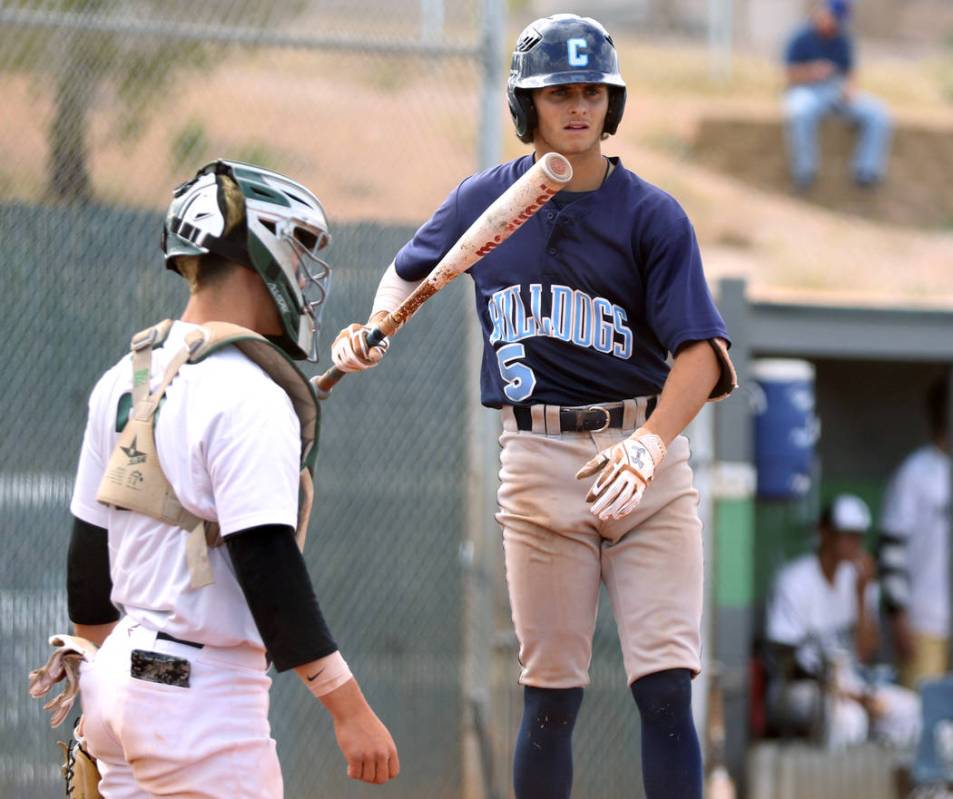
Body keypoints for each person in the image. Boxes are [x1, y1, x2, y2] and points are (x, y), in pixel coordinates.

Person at [330, 14, 736, 799]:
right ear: (528, 106)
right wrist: (372, 330)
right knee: (548, 700)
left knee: (663, 688)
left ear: (610, 104)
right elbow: (410, 273)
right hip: (537, 458)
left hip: (641, 454)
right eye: (559, 93)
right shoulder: (484, 202)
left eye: (592, 91)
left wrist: (651, 443)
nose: (578, 107)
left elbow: (702, 352)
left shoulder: (650, 215)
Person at [66, 161, 399, 797]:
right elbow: (266, 562)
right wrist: (349, 709)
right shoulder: (250, 392)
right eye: (300, 248)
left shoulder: (126, 376)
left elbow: (88, 565)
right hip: (198, 696)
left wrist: (97, 685)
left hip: (116, 683)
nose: (306, 272)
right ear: (261, 251)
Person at [765, 494, 919, 749]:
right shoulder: (795, 580)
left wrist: (861, 595)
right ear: (825, 533)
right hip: (799, 690)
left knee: (909, 710)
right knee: (849, 719)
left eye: (858, 536)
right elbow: (785, 659)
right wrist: (845, 693)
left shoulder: (859, 580)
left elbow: (866, 652)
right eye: (845, 534)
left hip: (852, 685)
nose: (853, 543)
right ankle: (829, 786)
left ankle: (875, 783)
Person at [880, 378, 951, 690]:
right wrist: (898, 616)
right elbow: (890, 548)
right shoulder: (916, 472)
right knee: (924, 719)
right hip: (925, 621)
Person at [782, 0, 892, 189]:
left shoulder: (842, 39)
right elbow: (788, 76)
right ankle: (805, 172)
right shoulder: (801, 36)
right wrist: (812, 72)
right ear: (822, 12)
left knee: (878, 113)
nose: (834, 24)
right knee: (799, 112)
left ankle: (866, 171)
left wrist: (849, 89)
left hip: (835, 91)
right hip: (807, 90)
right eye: (833, 18)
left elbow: (851, 74)